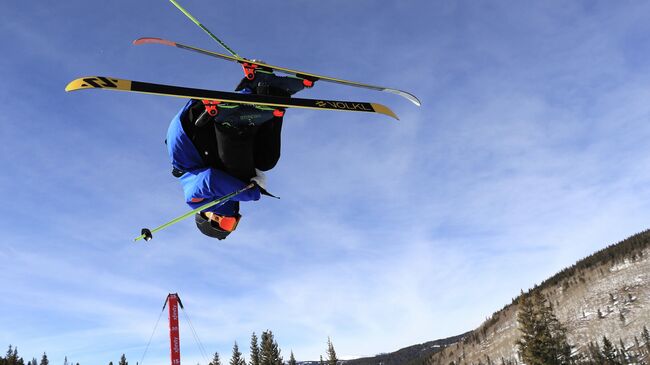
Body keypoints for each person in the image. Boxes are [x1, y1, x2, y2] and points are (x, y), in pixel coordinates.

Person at [166, 69, 306, 240]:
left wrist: (252, 194)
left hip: (193, 128)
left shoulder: (195, 200)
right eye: (233, 225)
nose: (233, 219)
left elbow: (210, 180)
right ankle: (270, 91)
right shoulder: (227, 191)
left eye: (227, 224)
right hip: (207, 127)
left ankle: (230, 121)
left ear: (210, 217)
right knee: (266, 161)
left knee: (241, 175)